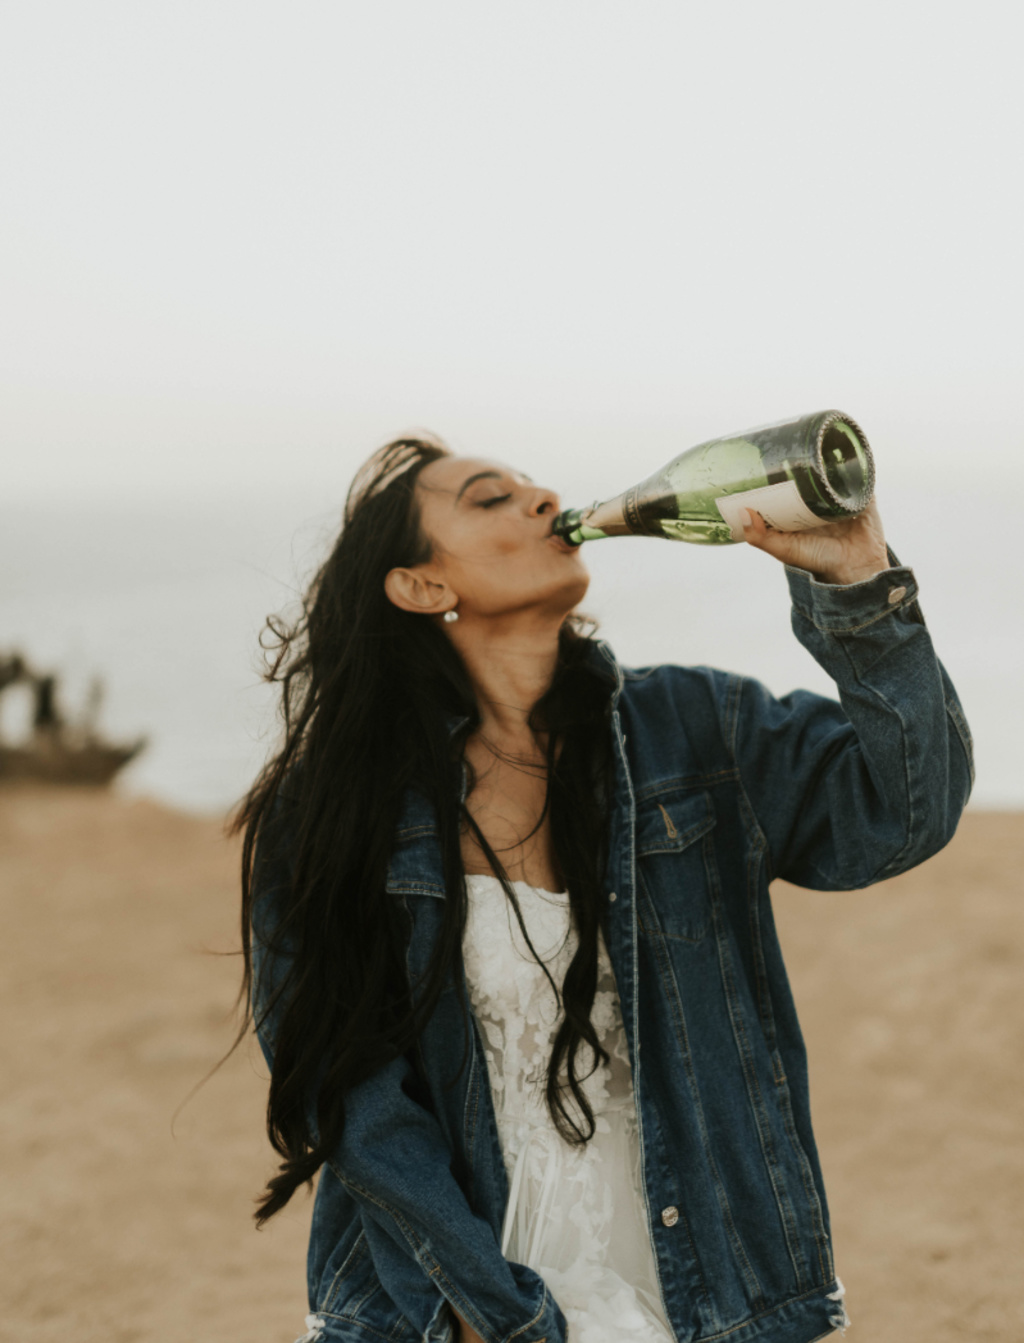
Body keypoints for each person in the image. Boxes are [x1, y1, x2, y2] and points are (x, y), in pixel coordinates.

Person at [234, 434, 973, 1343]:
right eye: (488, 498)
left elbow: (907, 807)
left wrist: (856, 586)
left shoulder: (696, 729)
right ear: (422, 586)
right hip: (448, 1309)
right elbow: (351, 1098)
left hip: (712, 1300)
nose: (541, 496)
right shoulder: (337, 811)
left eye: (530, 484)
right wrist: (486, 1309)